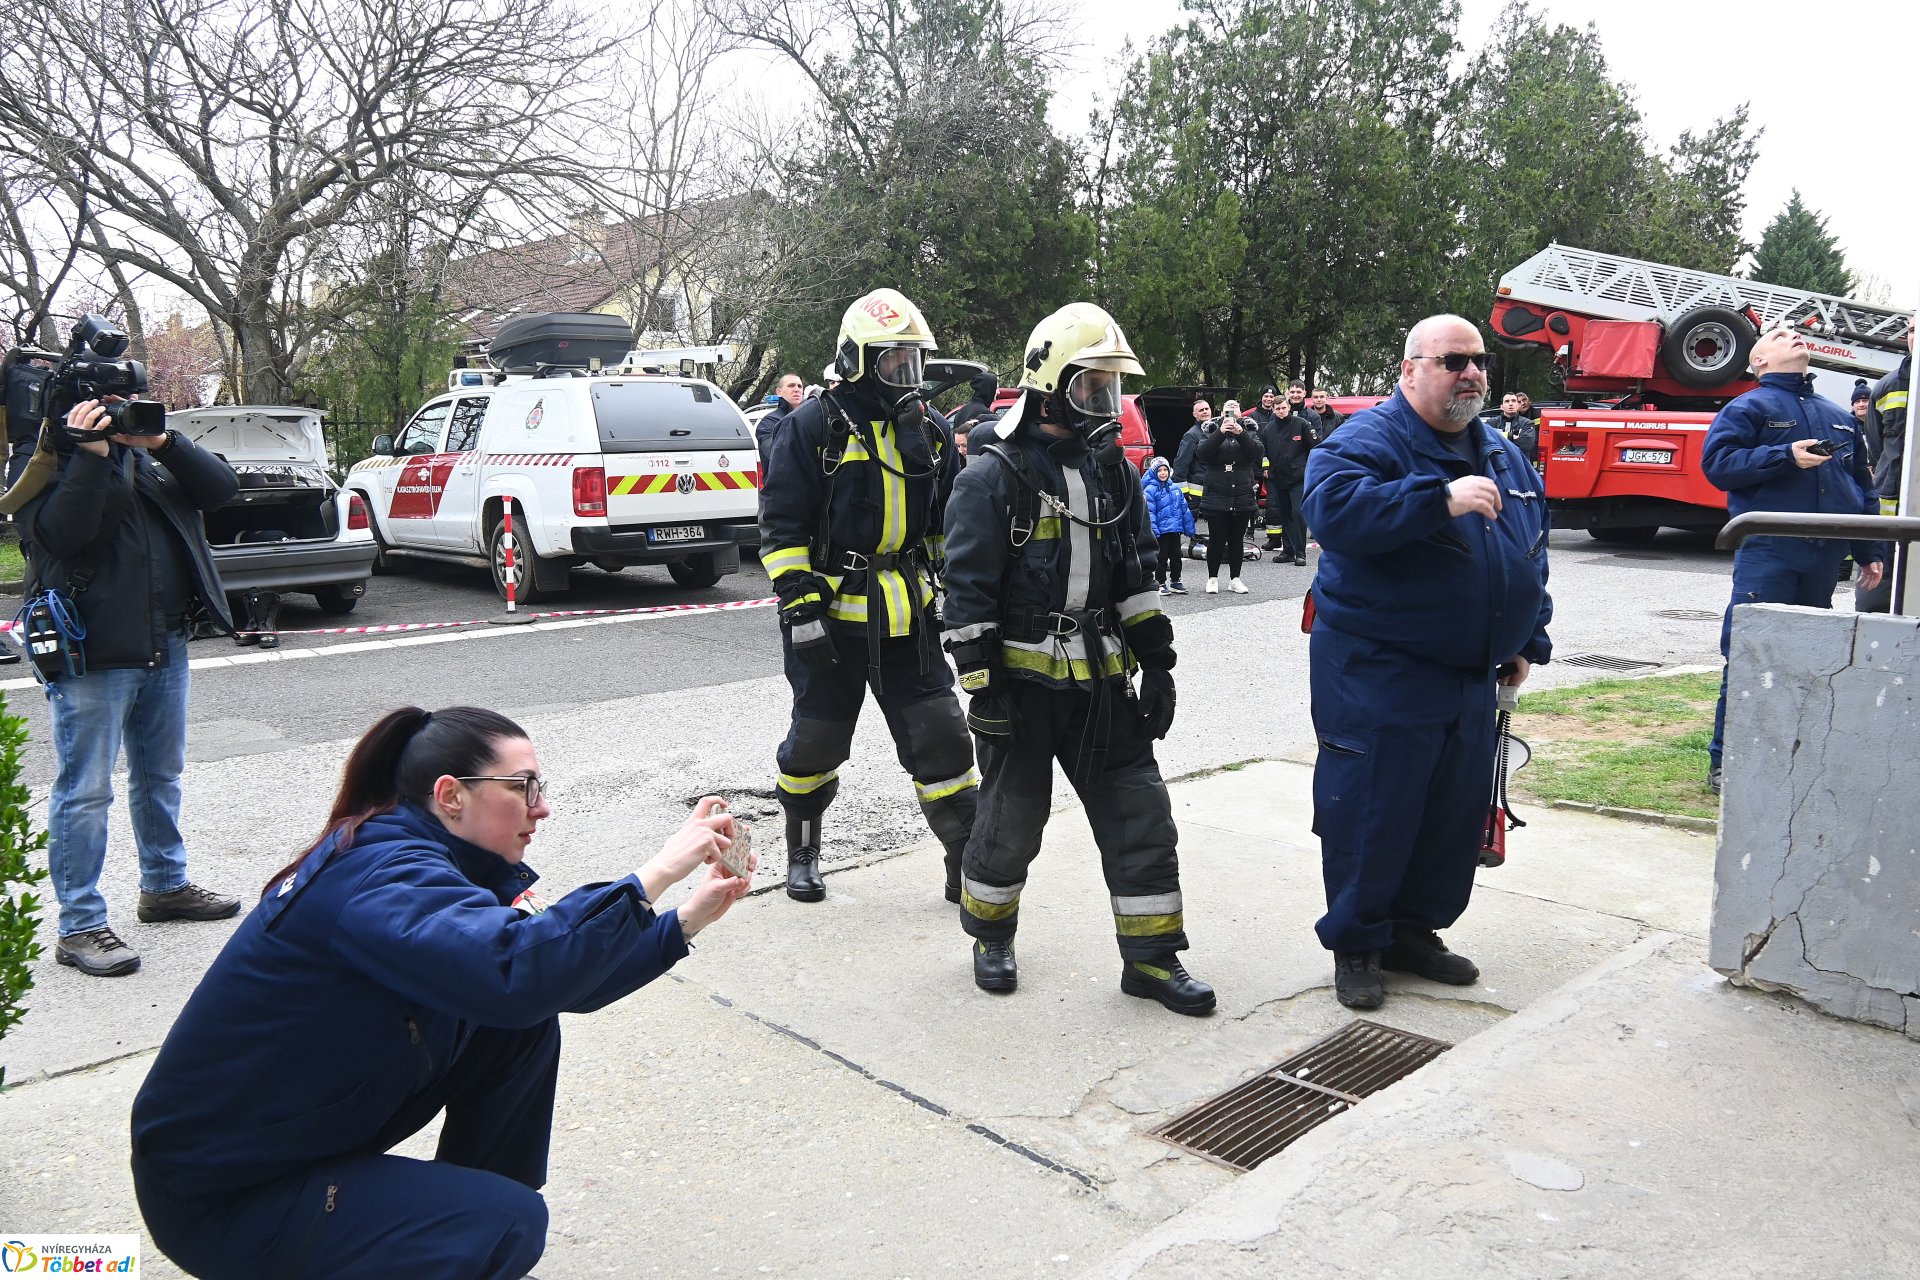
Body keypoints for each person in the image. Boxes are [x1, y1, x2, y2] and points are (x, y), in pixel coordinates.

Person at [130, 706, 753, 1280]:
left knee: (522, 1028)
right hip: (227, 1195)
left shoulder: (436, 866)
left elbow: (551, 980)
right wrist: (656, 873)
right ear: (451, 795)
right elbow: (515, 972)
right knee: (506, 1222)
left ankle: (463, 1229)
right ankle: (473, 1229)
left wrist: (685, 919)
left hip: (293, 1147)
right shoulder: (380, 878)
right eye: (524, 787)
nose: (541, 808)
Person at [942, 303, 1212, 1014]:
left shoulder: (1114, 474)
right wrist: (983, 689)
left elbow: (1137, 574)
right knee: (1010, 823)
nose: (1107, 404)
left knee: (1141, 816)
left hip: (1103, 684)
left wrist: (1159, 663)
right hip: (1022, 689)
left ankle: (1152, 959)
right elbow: (965, 594)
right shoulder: (991, 476)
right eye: (1092, 388)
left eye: (1111, 389)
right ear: (1050, 388)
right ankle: (991, 936)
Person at [1302, 315, 1552, 1012]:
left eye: (1479, 361)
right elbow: (1332, 513)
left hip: (1469, 673)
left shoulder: (1501, 452)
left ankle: (1412, 931)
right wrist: (1437, 499)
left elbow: (1532, 547)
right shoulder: (1367, 440)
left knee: (1449, 814)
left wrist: (1528, 639)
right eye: (1453, 361)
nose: (1471, 373)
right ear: (1410, 370)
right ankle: (1359, 942)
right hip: (1382, 667)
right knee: (1373, 809)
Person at [759, 288, 976, 904]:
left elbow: (947, 526)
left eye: (913, 361)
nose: (907, 373)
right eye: (893, 360)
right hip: (830, 618)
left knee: (942, 737)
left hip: (909, 616)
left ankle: (965, 860)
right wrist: (799, 605)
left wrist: (956, 598)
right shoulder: (812, 426)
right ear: (856, 360)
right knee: (816, 740)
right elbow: (781, 523)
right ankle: (803, 852)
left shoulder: (930, 430)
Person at [17, 397, 242, 977]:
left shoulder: (146, 457)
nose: (112, 415)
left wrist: (163, 443)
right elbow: (61, 536)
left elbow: (221, 490)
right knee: (86, 791)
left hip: (166, 641)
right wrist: (90, 457)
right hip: (94, 651)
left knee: (161, 775)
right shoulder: (42, 461)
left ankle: (164, 888)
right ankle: (79, 925)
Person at [1701, 326, 1885, 793]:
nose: (1794, 336)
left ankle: (1791, 757)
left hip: (1827, 554)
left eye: (1797, 334)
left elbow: (1863, 486)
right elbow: (1718, 467)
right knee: (1751, 652)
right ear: (1758, 361)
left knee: (1807, 655)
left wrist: (1869, 550)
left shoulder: (1838, 414)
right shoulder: (1747, 407)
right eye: (1780, 336)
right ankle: (1727, 763)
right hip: (1770, 549)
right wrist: (1784, 455)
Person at [1195, 399, 1264, 593]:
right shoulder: (1211, 429)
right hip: (1217, 492)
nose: (1232, 412)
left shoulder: (1249, 429)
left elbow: (1257, 452)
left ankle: (1235, 579)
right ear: (1222, 413)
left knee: (1236, 540)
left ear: (1240, 413)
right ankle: (1212, 578)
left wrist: (1241, 434)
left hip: (1241, 492)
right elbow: (1203, 453)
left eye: (1235, 409)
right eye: (1228, 409)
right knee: (1216, 539)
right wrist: (1220, 432)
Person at [1257, 394, 1315, 566]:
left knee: (1298, 514)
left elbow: (1315, 448)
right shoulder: (1268, 429)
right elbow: (1263, 453)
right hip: (1278, 478)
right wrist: (1266, 468)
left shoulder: (1302, 425)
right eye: (1278, 409)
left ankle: (1300, 553)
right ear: (1273, 410)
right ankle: (1288, 551)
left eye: (1283, 408)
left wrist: (1311, 470)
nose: (1281, 411)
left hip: (1298, 478)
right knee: (1284, 515)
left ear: (1288, 407)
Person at [1142, 455, 1192, 594]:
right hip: (1161, 532)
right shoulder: (1150, 490)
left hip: (1175, 530)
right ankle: (1160, 582)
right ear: (1154, 472)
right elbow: (1150, 513)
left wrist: (1189, 527)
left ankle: (1176, 581)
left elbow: (1184, 509)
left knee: (1176, 557)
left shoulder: (1175, 488)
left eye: (1165, 470)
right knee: (1161, 558)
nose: (1163, 473)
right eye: (1159, 470)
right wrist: (1154, 530)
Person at [754, 372, 806, 472]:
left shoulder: (807, 417)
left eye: (800, 386)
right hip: (782, 481)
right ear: (779, 392)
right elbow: (776, 453)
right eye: (791, 386)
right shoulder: (768, 422)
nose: (797, 389)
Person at [1487, 392, 1539, 469]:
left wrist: (1498, 436)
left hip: (1520, 467)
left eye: (1514, 401)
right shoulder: (1491, 423)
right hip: (1496, 467)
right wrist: (1511, 436)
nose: (1510, 404)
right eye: (1507, 401)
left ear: (1518, 405)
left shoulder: (1527, 423)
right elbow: (1487, 442)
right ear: (1502, 407)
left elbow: (1526, 445)